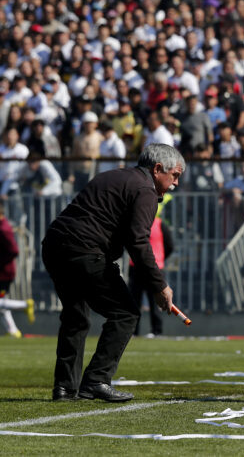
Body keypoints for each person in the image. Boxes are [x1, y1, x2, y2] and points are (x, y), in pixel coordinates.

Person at [42, 144, 183, 402]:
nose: (175, 183)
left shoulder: (113, 175)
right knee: (126, 313)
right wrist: (160, 286)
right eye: (175, 175)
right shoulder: (146, 190)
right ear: (158, 169)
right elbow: (138, 241)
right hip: (85, 250)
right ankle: (96, 380)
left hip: (54, 245)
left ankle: (64, 388)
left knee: (76, 316)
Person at [130, 215, 173, 338]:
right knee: (134, 301)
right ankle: (133, 331)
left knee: (155, 300)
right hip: (137, 266)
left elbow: (169, 245)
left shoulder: (159, 224)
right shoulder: (138, 222)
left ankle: (156, 331)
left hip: (154, 267)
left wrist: (159, 258)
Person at [0, 202, 34, 338]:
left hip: (3, 273)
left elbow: (14, 250)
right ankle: (13, 331)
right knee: (2, 302)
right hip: (3, 271)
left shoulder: (3, 229)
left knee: (1, 302)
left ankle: (25, 305)